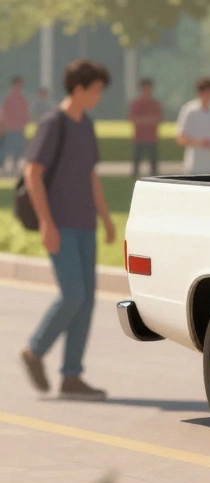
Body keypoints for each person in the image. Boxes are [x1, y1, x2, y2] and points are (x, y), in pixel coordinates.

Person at [18, 60, 114, 400]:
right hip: (60, 225)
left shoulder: (86, 124)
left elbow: (90, 175)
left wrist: (105, 218)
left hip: (85, 224)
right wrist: (46, 222)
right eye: (96, 90)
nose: (99, 96)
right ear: (78, 89)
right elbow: (32, 174)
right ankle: (35, 350)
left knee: (86, 302)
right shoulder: (53, 123)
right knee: (72, 295)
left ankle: (71, 376)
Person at [175, 76, 210, 175]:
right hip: (195, 168)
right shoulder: (190, 111)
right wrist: (199, 142)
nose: (207, 95)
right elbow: (180, 139)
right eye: (204, 92)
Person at [128, 78, 164, 178]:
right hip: (139, 137)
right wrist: (148, 120)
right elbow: (133, 118)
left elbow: (159, 118)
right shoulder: (137, 103)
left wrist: (144, 120)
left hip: (152, 137)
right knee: (136, 161)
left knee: (154, 163)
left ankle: (155, 178)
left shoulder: (155, 103)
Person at [1, 76, 30, 174]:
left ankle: (16, 163)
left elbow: (26, 112)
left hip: (19, 127)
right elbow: (5, 112)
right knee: (10, 146)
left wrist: (25, 122)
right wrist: (4, 125)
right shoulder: (9, 98)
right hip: (11, 127)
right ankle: (11, 163)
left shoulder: (22, 98)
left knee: (19, 146)